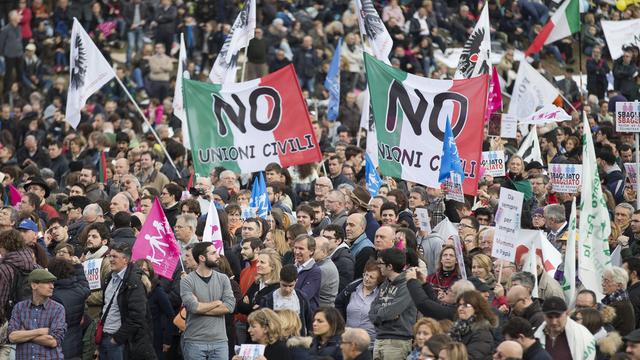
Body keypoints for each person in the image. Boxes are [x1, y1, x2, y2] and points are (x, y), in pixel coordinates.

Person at [99, 243, 155, 359]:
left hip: (121, 342)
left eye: (114, 257)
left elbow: (137, 315)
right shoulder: (109, 277)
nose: (110, 259)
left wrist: (118, 338)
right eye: (110, 256)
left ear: (125, 260)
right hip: (105, 337)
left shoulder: (134, 282)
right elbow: (105, 307)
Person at [181, 241, 236, 359]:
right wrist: (217, 302)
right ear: (202, 258)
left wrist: (200, 307)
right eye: (213, 253)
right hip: (195, 341)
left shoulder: (223, 279)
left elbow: (229, 306)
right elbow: (194, 307)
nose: (218, 256)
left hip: (220, 342)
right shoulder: (187, 280)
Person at [8, 268, 66, 359]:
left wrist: (24, 334)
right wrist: (40, 331)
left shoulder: (58, 309)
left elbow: (53, 341)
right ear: (34, 285)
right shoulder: (19, 308)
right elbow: (12, 337)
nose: (52, 286)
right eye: (47, 283)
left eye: (52, 283)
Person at [370, 248, 417, 360]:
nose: (378, 266)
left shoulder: (407, 285)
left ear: (390, 266)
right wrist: (383, 313)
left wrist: (381, 312)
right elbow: (371, 311)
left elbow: (392, 311)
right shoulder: (384, 285)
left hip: (398, 341)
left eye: (380, 263)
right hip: (380, 337)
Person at [48, 257, 91, 360]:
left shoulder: (53, 295)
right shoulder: (79, 289)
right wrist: (78, 266)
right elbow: (85, 286)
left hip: (59, 343)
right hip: (76, 340)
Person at [335, 259, 382, 348]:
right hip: (348, 342)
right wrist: (341, 324)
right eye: (366, 274)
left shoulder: (381, 294)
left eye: (371, 277)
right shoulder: (352, 288)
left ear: (378, 280)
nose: (367, 278)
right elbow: (338, 304)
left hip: (370, 345)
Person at [450, 290, 497, 360]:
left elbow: (471, 357)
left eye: (466, 305)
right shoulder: (456, 328)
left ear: (477, 308)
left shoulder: (482, 334)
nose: (460, 308)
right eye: (459, 305)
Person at [602, 266, 636, 336]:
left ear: (619, 286)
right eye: (603, 280)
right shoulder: (618, 302)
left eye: (606, 281)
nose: (603, 284)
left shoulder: (619, 306)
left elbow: (601, 328)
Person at [293, 235, 322, 311]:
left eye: (301, 248)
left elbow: (304, 296)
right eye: (295, 248)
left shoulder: (315, 271)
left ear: (311, 251)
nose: (297, 251)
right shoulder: (292, 267)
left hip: (305, 315)